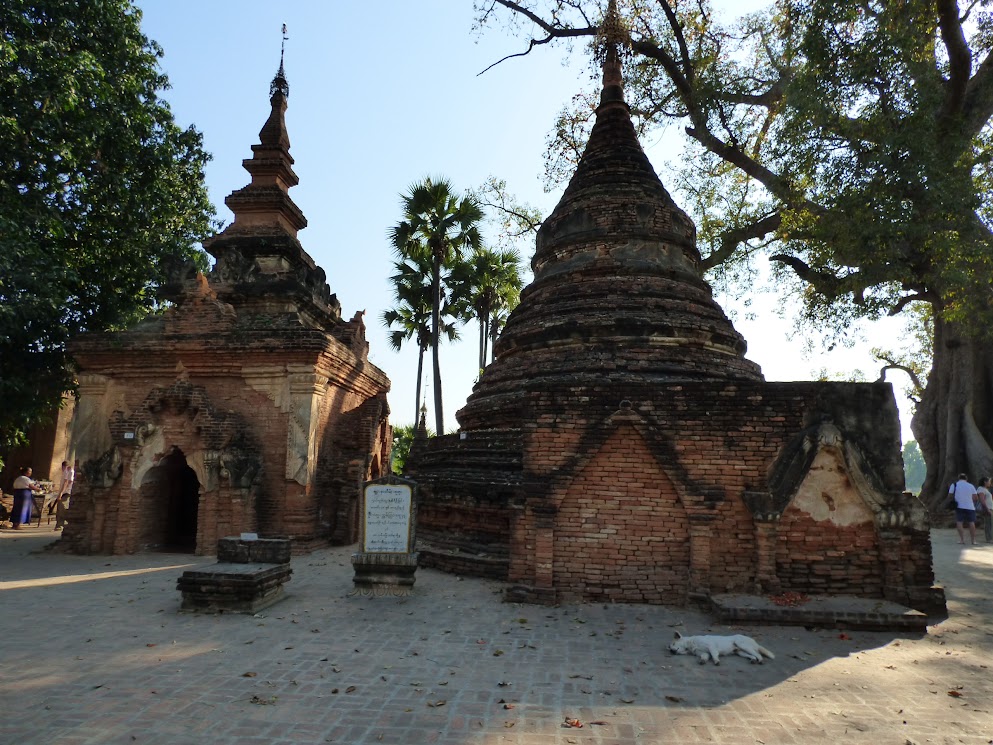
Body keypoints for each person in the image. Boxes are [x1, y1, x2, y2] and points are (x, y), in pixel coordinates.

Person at [949, 473, 979, 545]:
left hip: (959, 506)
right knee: (971, 522)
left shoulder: (954, 485)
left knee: (959, 522)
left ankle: (962, 540)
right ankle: (973, 541)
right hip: (970, 507)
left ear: (959, 478)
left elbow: (949, 495)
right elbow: (976, 498)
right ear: (966, 479)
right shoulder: (970, 486)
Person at [55, 459, 75, 530]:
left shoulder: (69, 471)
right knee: (60, 508)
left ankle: (63, 523)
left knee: (62, 508)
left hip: (66, 492)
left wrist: (61, 493)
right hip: (64, 492)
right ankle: (59, 524)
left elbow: (67, 482)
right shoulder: (66, 472)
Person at [977, 476, 993, 544]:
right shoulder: (981, 489)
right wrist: (987, 509)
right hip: (987, 508)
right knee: (988, 524)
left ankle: (990, 538)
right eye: (989, 481)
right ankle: (989, 539)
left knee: (990, 523)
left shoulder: (985, 489)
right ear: (985, 482)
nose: (990, 483)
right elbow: (982, 500)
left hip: (990, 508)